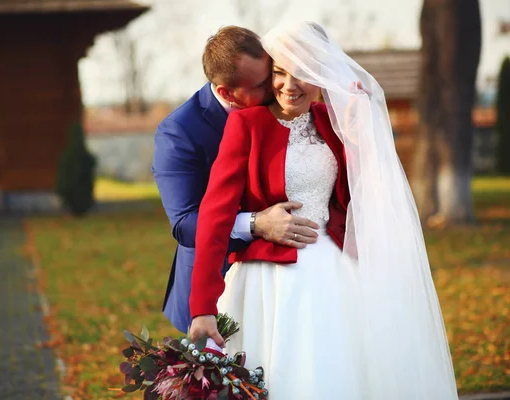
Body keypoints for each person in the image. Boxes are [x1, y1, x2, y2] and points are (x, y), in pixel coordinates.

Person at [189, 21, 458, 399]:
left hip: (332, 274)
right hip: (268, 282)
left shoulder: (331, 124)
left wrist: (359, 133)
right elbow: (215, 216)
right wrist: (202, 307)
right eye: (279, 73)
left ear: (320, 73)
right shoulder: (247, 124)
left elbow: (361, 198)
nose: (288, 85)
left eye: (302, 73)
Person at [152, 26, 321, 334]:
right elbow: (184, 223)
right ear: (227, 93)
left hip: (289, 274)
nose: (276, 88)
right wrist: (256, 223)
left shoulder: (294, 109)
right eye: (262, 84)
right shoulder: (178, 133)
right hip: (215, 284)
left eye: (274, 72)